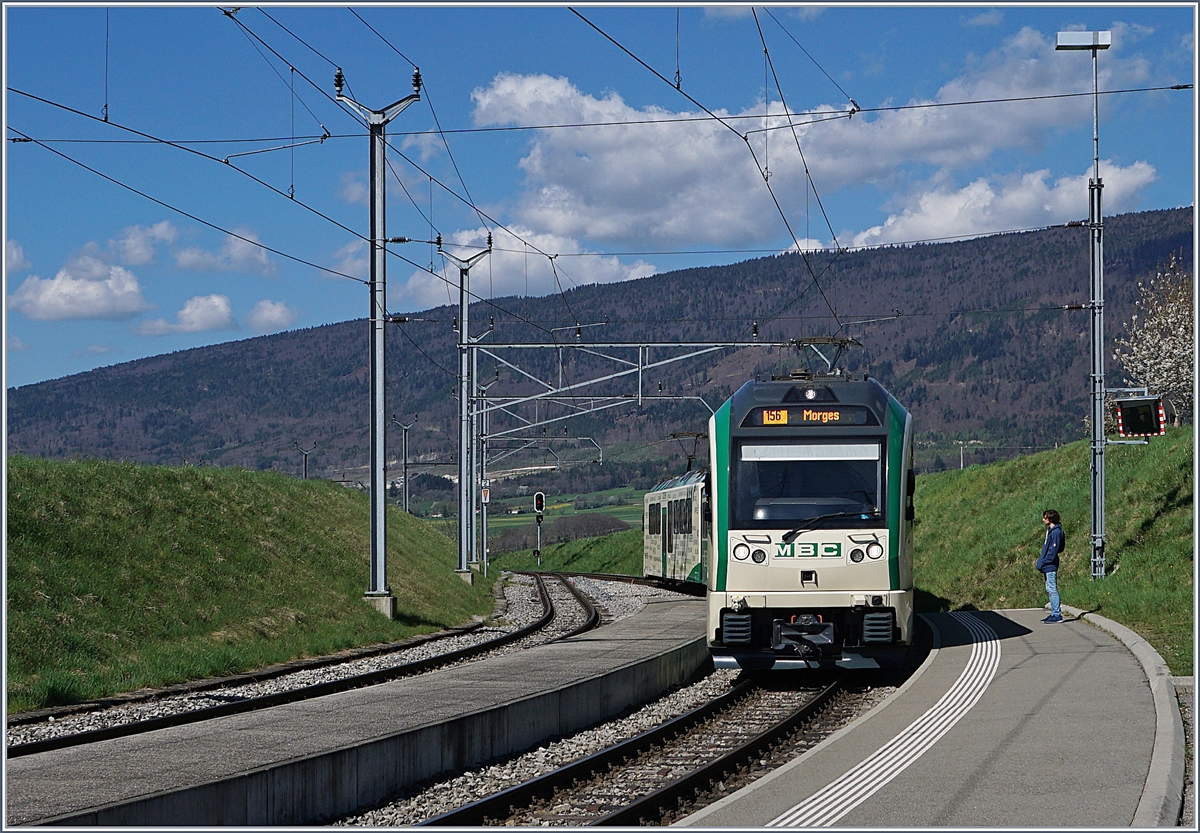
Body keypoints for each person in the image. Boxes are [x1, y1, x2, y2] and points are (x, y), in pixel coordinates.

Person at [1036, 509, 1065, 623]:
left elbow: (1054, 549)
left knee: (1052, 588)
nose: (1043, 519)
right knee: (1049, 588)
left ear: (1050, 518)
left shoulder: (1056, 532)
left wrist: (1045, 561)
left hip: (1050, 565)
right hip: (1047, 564)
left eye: (1045, 517)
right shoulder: (1051, 531)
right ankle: (1054, 613)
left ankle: (1056, 614)